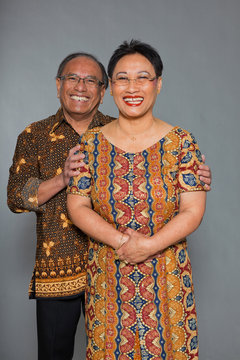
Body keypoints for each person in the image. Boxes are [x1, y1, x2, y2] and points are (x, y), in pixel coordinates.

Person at [7, 51, 211, 360]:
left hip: (137, 267)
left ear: (103, 91)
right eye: (72, 78)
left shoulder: (144, 132)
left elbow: (183, 197)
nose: (81, 86)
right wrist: (62, 178)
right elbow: (17, 197)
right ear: (58, 84)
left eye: (91, 80)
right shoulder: (42, 136)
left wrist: (194, 176)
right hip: (68, 269)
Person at [67, 40, 207, 359]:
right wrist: (123, 242)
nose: (132, 87)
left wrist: (149, 245)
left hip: (168, 277)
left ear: (158, 84)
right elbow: (77, 206)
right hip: (107, 277)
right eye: (122, 78)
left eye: (143, 77)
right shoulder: (89, 144)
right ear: (110, 87)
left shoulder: (182, 142)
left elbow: (193, 210)